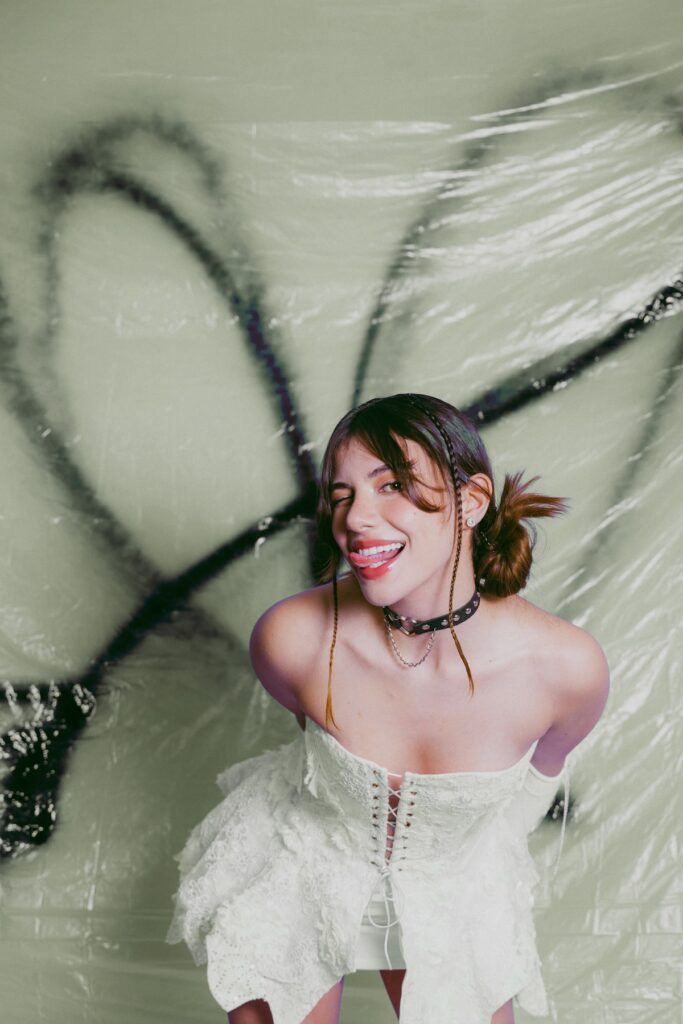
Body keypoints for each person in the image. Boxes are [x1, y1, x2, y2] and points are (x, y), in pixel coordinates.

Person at [166, 393, 610, 1024]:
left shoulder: (565, 670)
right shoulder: (292, 639)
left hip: (453, 888)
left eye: (393, 485)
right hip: (305, 862)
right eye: (341, 495)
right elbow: (312, 743)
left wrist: (466, 879)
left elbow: (533, 788)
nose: (355, 520)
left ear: (471, 501)